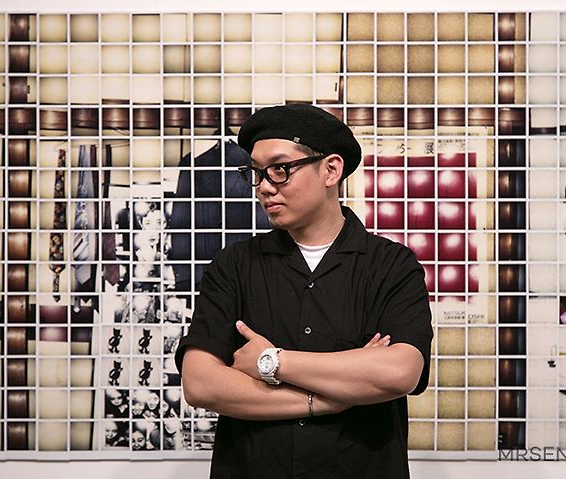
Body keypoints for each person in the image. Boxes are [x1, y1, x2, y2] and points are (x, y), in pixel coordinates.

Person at [175, 104, 433, 478]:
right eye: (256, 173)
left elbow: (399, 372)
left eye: (280, 169)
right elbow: (201, 383)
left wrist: (270, 362)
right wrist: (326, 399)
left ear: (331, 170)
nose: (265, 187)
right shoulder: (234, 265)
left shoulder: (390, 265)